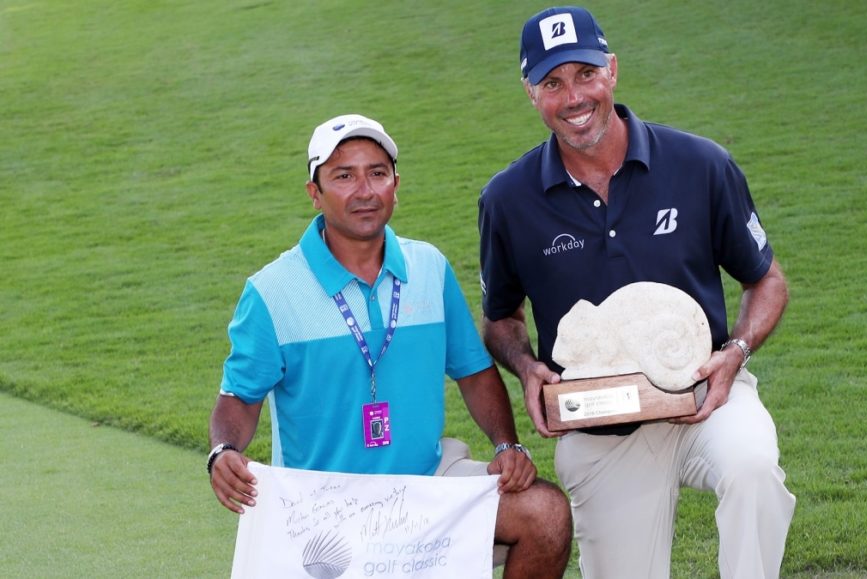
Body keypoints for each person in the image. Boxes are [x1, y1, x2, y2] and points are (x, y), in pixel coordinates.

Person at [478, 7, 795, 578]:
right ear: (532, 94)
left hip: (707, 399)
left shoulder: (700, 163)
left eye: (584, 74)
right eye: (553, 83)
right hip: (601, 430)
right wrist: (526, 367)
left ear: (612, 70)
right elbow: (501, 318)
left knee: (753, 468)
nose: (573, 97)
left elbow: (766, 279)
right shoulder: (508, 199)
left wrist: (737, 354)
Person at [209, 113, 572, 578]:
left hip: (425, 485)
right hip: (323, 506)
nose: (364, 190)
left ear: (395, 185)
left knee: (545, 514)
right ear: (314, 193)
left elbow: (474, 372)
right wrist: (224, 452)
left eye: (377, 173)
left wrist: (507, 444)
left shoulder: (429, 268)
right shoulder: (272, 292)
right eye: (343, 176)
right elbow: (238, 399)